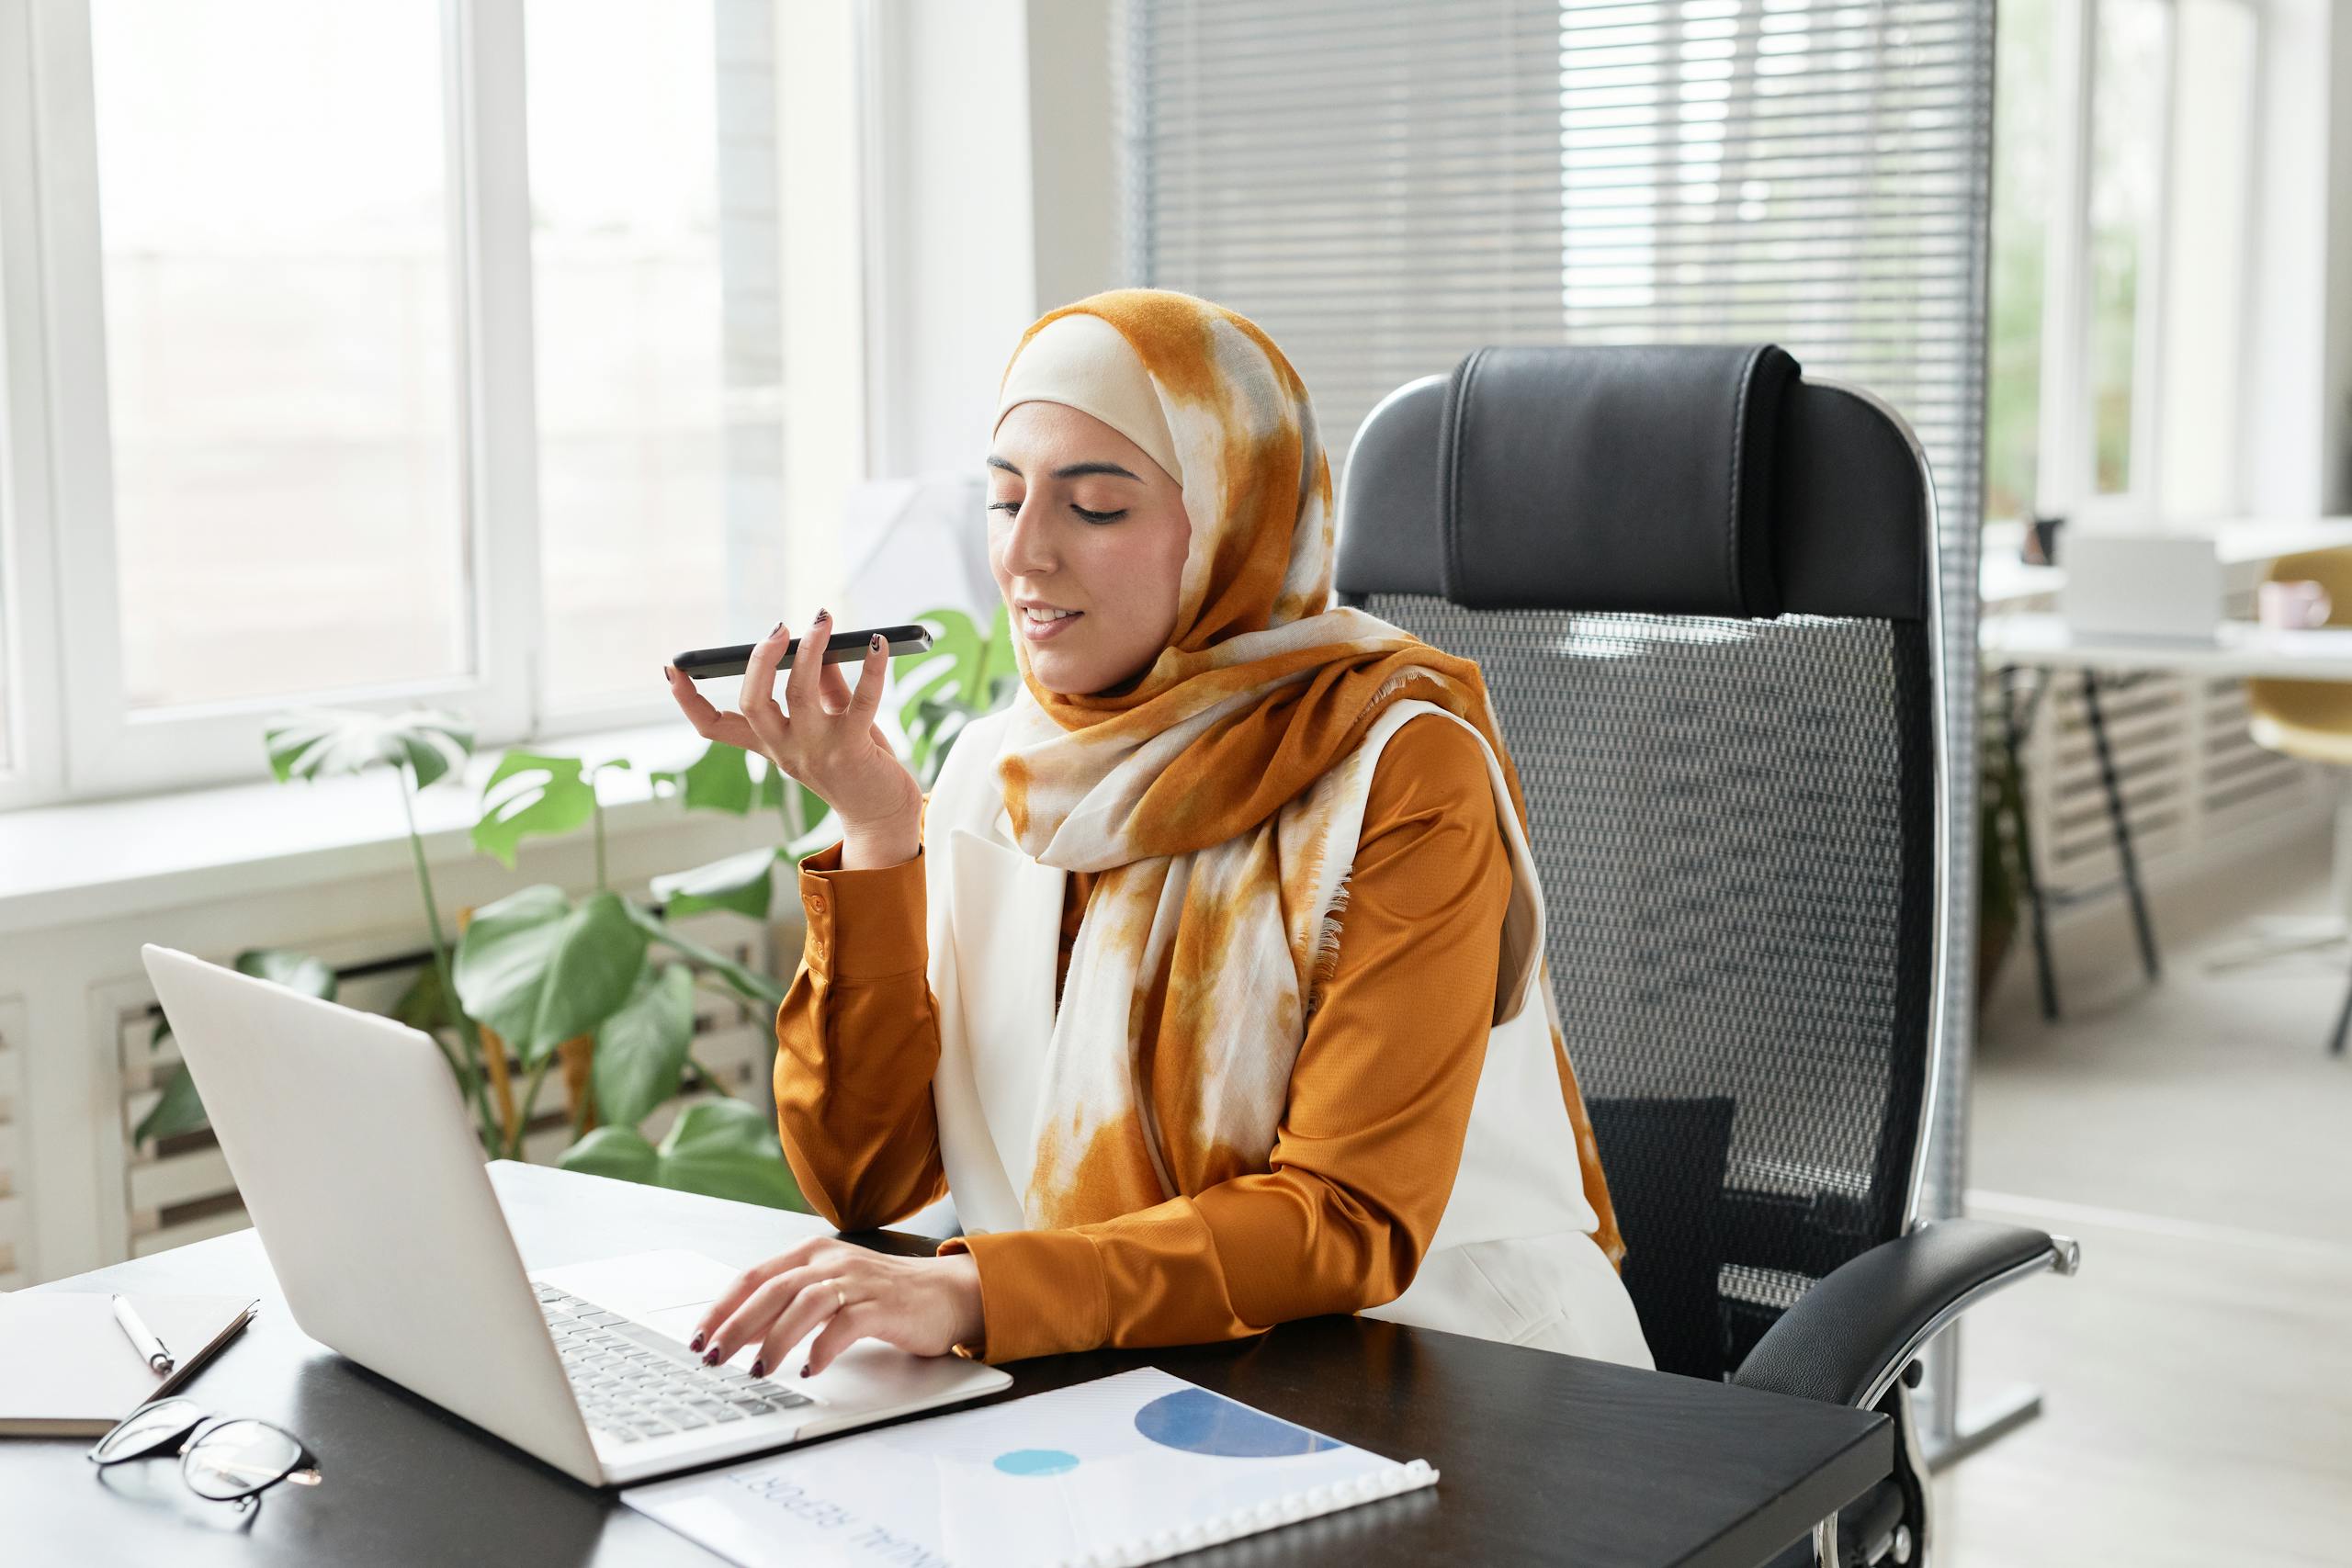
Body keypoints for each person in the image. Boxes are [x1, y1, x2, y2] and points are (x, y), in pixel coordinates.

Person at [661, 288, 1653, 1381]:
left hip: (1443, 1373)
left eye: (1094, 508)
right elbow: (865, 1181)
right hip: (1113, 1375)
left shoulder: (1396, 768)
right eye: (1002, 501)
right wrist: (877, 830)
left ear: (1234, 518)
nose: (1025, 555)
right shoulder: (996, 772)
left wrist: (975, 1289)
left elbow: (1347, 1217)